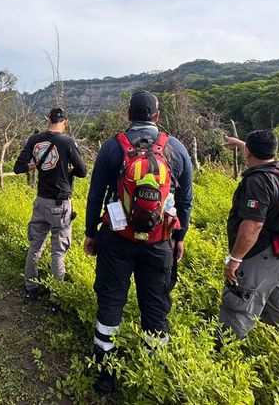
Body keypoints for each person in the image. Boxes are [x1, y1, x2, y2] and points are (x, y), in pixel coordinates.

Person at [83, 91, 193, 395]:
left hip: (117, 240)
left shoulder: (112, 147)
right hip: (159, 244)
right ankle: (152, 375)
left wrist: (91, 232)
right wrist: (179, 238)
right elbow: (185, 201)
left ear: (128, 115)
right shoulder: (177, 149)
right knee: (156, 308)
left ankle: (105, 376)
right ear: (157, 116)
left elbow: (95, 195)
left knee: (111, 303)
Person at [219, 130, 279, 346]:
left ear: (248, 152)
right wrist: (239, 143)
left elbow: (253, 224)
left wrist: (235, 259)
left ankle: (226, 351)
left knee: (237, 303)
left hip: (258, 253)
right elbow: (255, 149)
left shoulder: (257, 181)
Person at [13, 108, 88, 300]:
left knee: (35, 247)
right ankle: (57, 295)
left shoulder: (34, 139)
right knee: (58, 252)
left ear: (47, 119)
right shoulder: (68, 142)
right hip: (60, 205)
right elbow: (83, 172)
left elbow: (18, 167)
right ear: (66, 122)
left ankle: (31, 288)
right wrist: (67, 169)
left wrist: (35, 164)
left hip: (40, 202)